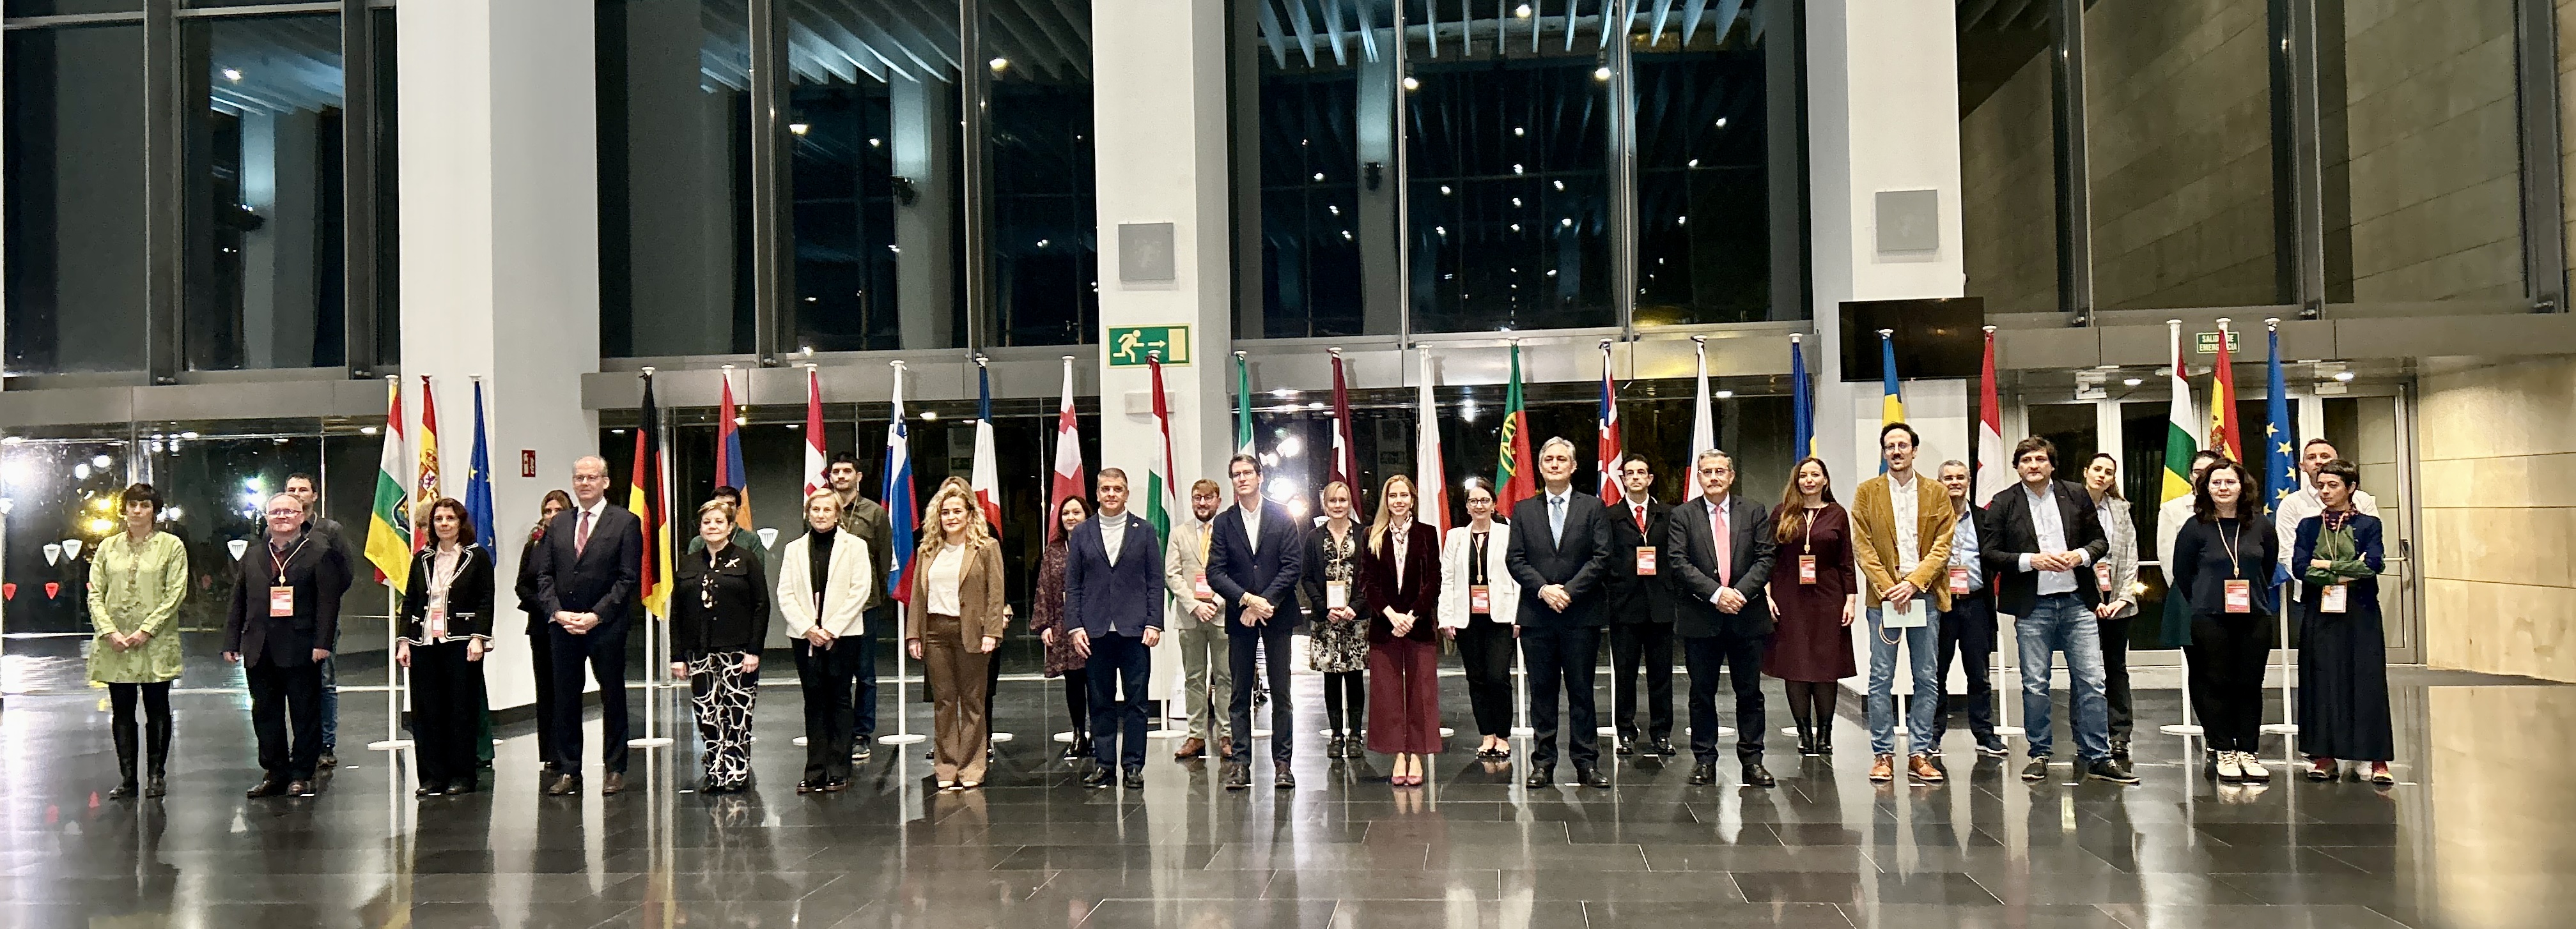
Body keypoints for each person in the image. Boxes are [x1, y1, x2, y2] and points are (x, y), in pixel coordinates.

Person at [1982, 437, 2131, 785]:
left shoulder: (2076, 494)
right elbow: (1989, 553)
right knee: (2036, 684)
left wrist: (2079, 556)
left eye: (2040, 460)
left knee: (2093, 681)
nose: (2033, 466)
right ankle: (2039, 754)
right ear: (2017, 467)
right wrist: (2028, 561)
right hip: (2033, 608)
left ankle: (2097, 755)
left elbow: (2100, 542)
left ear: (2052, 465)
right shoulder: (2004, 503)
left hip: (2078, 603)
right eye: (2026, 461)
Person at [1505, 436, 1616, 790]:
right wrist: (1543, 589)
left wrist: (1568, 591)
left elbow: (1602, 557)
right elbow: (1515, 559)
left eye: (1561, 459)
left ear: (1573, 467)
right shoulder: (1523, 509)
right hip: (1538, 615)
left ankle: (1587, 763)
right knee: (1543, 692)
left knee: (1582, 691)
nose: (1554, 464)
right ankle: (1543, 763)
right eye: (1548, 459)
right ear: (1540, 467)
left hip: (1580, 614)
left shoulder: (1593, 507)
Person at [1847, 424, 1957, 785]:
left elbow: (1943, 544)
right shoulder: (1866, 493)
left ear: (1914, 451)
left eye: (1903, 445)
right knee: (1881, 678)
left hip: (1924, 595)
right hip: (1884, 600)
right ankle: (1882, 754)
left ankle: (1920, 753)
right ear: (1884, 453)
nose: (1897, 451)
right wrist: (1891, 587)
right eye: (1890, 446)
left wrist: (1913, 582)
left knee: (1926, 677)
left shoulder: (1937, 492)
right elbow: (1863, 547)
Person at [1661, 450, 1778, 787]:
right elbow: (1678, 562)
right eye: (1706, 472)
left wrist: (1738, 593)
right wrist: (1716, 593)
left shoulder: (1753, 511)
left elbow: (1765, 556)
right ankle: (1704, 760)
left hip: (1746, 614)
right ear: (1698, 477)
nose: (1713, 477)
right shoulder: (1683, 515)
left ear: (1731, 476)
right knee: (1701, 692)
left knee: (1750, 692)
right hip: (1702, 616)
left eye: (1720, 471)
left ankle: (1753, 760)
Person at [532, 457, 645, 796]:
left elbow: (628, 578)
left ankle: (615, 768)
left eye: (591, 477)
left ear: (605, 482)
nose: (584, 483)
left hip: (605, 624)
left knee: (612, 695)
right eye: (579, 477)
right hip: (563, 625)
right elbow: (544, 574)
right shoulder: (559, 523)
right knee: (565, 698)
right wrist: (557, 611)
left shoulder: (625, 522)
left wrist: (597, 614)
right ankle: (569, 770)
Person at [224, 493, 349, 799]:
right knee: (265, 713)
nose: (282, 517)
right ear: (267, 518)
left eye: (289, 512)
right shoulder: (252, 556)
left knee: (305, 713)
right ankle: (275, 772)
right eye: (275, 512)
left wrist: (323, 643)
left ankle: (302, 774)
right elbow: (238, 600)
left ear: (301, 517)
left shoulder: (320, 553)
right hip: (259, 646)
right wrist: (231, 640)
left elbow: (328, 604)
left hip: (302, 646)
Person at [2167, 457, 2280, 783]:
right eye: (2216, 483)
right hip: (2209, 617)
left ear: (2242, 487)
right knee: (2216, 683)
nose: (2223, 488)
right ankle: (2223, 750)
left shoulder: (2260, 525)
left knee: (2249, 684)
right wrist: (2206, 599)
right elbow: (2183, 574)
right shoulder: (2195, 527)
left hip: (2254, 615)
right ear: (2206, 488)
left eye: (2230, 482)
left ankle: (2248, 751)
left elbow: (2267, 567)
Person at [2289, 459, 2394, 785]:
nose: (2325, 492)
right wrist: (2345, 568)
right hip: (2321, 612)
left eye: (2333, 486)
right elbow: (2301, 568)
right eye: (2321, 486)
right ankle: (2324, 755)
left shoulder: (2368, 525)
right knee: (2321, 679)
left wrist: (2327, 566)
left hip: (2360, 612)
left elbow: (2374, 564)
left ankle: (2374, 757)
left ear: (2350, 489)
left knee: (2366, 679)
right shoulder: (2308, 526)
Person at [1062, 470, 1164, 789]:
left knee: (1136, 701)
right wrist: (1074, 626)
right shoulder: (1082, 533)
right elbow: (1073, 584)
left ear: (1126, 493)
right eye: (1105, 489)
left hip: (1135, 630)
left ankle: (1133, 765)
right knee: (1101, 700)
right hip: (1095, 631)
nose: (1111, 494)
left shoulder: (1144, 531)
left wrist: (1154, 622)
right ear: (1097, 492)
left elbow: (1155, 581)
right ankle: (1105, 764)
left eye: (1117, 489)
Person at [1209, 452, 1305, 791]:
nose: (1242, 479)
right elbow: (1215, 572)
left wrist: (1265, 603)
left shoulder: (1282, 516)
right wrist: (1248, 601)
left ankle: (1283, 764)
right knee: (1238, 693)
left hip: (1276, 616)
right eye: (1236, 475)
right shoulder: (1223, 522)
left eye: (1248, 473)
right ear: (1232, 481)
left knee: (1281, 692)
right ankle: (1241, 764)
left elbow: (1292, 566)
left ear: (1260, 477)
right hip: (1241, 617)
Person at [87, 482, 188, 800]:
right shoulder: (107, 547)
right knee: (122, 709)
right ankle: (128, 778)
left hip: (155, 642)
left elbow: (176, 594)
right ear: (124, 509)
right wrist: (108, 631)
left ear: (154, 511)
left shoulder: (171, 546)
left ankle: (156, 775)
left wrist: (147, 629)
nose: (137, 511)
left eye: (144, 505)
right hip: (115, 641)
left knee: (158, 707)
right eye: (132, 504)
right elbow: (94, 593)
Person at [909, 478, 1007, 790]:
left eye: (957, 511)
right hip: (936, 632)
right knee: (944, 701)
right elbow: (917, 596)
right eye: (945, 512)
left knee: (974, 702)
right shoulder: (928, 550)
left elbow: (996, 594)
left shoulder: (986, 547)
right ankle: (947, 766)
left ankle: (973, 766)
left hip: (973, 634)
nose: (951, 517)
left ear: (969, 514)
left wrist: (992, 632)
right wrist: (914, 635)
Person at [669, 498, 770, 794]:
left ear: (730, 527)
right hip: (699, 652)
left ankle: (738, 771)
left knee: (737, 713)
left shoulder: (746, 559)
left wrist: (755, 650)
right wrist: (677, 655)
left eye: (718, 522)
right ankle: (715, 770)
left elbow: (761, 606)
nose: (712, 527)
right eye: (707, 523)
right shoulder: (689, 562)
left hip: (738, 651)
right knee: (706, 713)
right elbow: (677, 611)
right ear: (700, 529)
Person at [398, 498, 496, 797]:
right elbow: (411, 600)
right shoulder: (423, 558)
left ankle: (462, 775)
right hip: (424, 642)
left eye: (450, 518)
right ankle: (431, 777)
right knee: (426, 712)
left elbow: (485, 600)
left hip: (461, 642)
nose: (444, 524)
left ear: (460, 523)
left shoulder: (476, 557)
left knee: (460, 710)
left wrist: (479, 637)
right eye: (438, 519)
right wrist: (404, 641)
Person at [777, 489, 873, 793]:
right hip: (804, 637)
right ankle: (815, 770)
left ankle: (838, 768)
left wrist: (830, 629)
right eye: (815, 509)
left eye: (827, 510)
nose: (821, 515)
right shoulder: (794, 549)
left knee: (841, 699)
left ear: (837, 514)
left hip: (843, 635)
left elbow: (860, 590)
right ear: (808, 513)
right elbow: (785, 594)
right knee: (814, 701)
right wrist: (809, 628)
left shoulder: (855, 546)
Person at [1763, 457, 1858, 760]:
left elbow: (1846, 562)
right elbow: (1768, 557)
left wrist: (1851, 599)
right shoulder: (1782, 513)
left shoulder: (1837, 514)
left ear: (1825, 480)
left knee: (1825, 668)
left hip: (1829, 598)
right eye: (1804, 476)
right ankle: (1804, 732)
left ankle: (1826, 733)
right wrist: (1766, 594)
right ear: (1797, 481)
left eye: (1815, 475)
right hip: (1789, 597)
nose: (1809, 480)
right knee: (1797, 666)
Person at [1362, 474, 1442, 787]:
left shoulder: (1427, 534)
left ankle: (1418, 755)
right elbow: (1367, 582)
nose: (1398, 501)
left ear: (1412, 499)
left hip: (1418, 625)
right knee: (1388, 692)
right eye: (1392, 495)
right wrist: (1391, 615)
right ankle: (1398, 754)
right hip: (1385, 627)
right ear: (1386, 500)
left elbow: (1433, 580)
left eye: (1404, 495)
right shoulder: (1373, 534)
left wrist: (1411, 616)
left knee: (1422, 692)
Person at [1927, 461, 2008, 758]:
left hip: (1976, 604)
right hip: (1941, 605)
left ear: (1969, 481)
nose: (1954, 482)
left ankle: (1985, 734)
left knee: (1979, 674)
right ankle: (1932, 735)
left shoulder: (1985, 520)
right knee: (1935, 673)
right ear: (1938, 482)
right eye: (1948, 478)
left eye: (1960, 477)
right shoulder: (1930, 519)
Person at [1439, 478, 1520, 760]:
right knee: (1476, 679)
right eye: (1474, 501)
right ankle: (1487, 734)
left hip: (1501, 616)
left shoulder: (1507, 534)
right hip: (1467, 618)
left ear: (1493, 504)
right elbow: (1447, 579)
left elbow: (1517, 576)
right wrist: (1445, 616)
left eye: (1484, 500)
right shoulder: (1455, 537)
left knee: (1498, 677)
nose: (1479, 505)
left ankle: (1504, 735)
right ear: (1467, 507)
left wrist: (1519, 615)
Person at [1604, 454, 1676, 758]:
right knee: (1625, 674)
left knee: (1662, 674)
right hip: (1625, 605)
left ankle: (1661, 733)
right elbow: (1603, 558)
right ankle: (1626, 731)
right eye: (1629, 473)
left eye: (1641, 473)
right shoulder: (1610, 516)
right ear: (1623, 479)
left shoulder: (1669, 515)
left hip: (1660, 604)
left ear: (1650, 479)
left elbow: (1677, 557)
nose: (1635, 477)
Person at [283, 473, 357, 771]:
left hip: (320, 619)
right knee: (293, 684)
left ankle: (326, 745)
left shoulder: (330, 531)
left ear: (314, 496)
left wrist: (325, 603)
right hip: (285, 621)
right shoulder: (276, 528)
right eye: (291, 490)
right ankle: (301, 745)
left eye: (303, 490)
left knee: (324, 680)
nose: (297, 494)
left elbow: (346, 573)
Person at [826, 452, 896, 760]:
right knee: (832, 671)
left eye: (846, 471)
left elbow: (882, 561)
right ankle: (835, 730)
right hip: (828, 607)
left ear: (859, 476)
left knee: (864, 673)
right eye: (836, 472)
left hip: (865, 606)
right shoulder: (821, 510)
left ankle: (862, 734)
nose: (841, 477)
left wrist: (875, 597)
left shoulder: (875, 514)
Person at [1163, 479, 1232, 762]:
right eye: (1197, 498)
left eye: (1208, 498)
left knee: (1226, 676)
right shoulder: (1178, 534)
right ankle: (1196, 736)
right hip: (1190, 617)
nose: (1202, 503)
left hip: (1223, 614)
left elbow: (1235, 572)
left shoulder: (1229, 531)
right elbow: (1172, 575)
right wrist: (1194, 606)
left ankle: (1226, 734)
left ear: (1218, 500)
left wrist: (1216, 602)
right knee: (1194, 677)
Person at [2080, 452, 2143, 761]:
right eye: (2098, 469)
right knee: (2086, 672)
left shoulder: (2120, 509)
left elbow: (2131, 556)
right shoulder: (2071, 505)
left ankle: (2119, 735)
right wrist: (2093, 602)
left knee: (2116, 668)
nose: (2102, 475)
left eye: (2109, 472)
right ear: (2086, 472)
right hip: (2083, 603)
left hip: (2117, 602)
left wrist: (2123, 598)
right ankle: (2086, 734)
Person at [1302, 480, 1370, 758]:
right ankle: (1336, 736)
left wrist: (1355, 605)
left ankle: (1355, 735)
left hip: (1356, 617)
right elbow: (1306, 577)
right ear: (1325, 505)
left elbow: (1371, 576)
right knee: (1331, 679)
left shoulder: (1364, 535)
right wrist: (1323, 606)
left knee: (1354, 678)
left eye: (1343, 500)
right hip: (1325, 618)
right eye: (1333, 501)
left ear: (1350, 503)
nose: (1338, 506)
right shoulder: (1314, 538)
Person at [2274, 438, 2382, 610]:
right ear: (2302, 466)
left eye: (2325, 456)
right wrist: (2336, 578)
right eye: (2312, 457)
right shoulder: (2293, 505)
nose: (2319, 461)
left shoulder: (2363, 500)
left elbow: (2372, 561)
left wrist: (2325, 565)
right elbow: (2293, 559)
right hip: (2313, 595)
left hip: (2360, 597)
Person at [1031, 495, 1094, 760]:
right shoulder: (1054, 550)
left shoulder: (1097, 544)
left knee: (1097, 682)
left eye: (1076, 512)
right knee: (1074, 682)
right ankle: (1079, 732)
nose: (1071, 517)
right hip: (1064, 625)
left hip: (1095, 624)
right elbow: (1043, 588)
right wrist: (1045, 625)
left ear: (1087, 516)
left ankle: (1100, 734)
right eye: (1066, 513)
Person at [516, 489, 573, 775]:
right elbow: (522, 586)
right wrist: (548, 608)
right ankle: (550, 752)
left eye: (558, 510)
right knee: (546, 690)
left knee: (566, 688)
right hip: (541, 625)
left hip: (571, 625)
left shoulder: (578, 542)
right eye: (548, 511)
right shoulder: (534, 546)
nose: (552, 516)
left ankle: (569, 750)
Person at [685, 485, 765, 570]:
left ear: (738, 509)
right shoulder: (698, 542)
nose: (725, 508)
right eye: (719, 505)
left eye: (730, 504)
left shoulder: (751, 539)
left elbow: (757, 574)